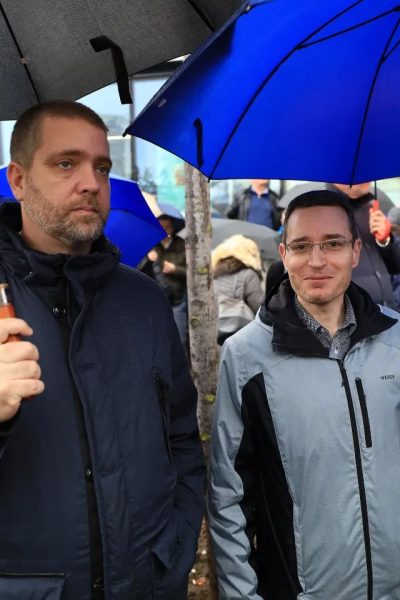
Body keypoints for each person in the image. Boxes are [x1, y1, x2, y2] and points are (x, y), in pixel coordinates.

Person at [0, 100, 205, 600]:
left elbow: (180, 434)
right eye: (65, 163)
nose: (91, 183)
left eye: (102, 167)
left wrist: (176, 542)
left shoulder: (144, 301)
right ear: (19, 180)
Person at [208, 189, 400, 600]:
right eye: (301, 246)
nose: (316, 260)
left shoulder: (395, 340)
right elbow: (228, 493)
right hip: (304, 590)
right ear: (284, 254)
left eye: (332, 243)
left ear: (355, 251)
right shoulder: (246, 356)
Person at [329, 182, 400, 309]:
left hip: (388, 310)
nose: (367, 179)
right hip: (354, 313)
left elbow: (395, 266)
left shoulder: (371, 209)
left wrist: (384, 240)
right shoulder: (324, 213)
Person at [147, 205, 188, 349]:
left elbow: (191, 273)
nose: (165, 230)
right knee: (157, 341)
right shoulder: (150, 245)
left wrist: (175, 269)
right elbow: (138, 270)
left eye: (168, 226)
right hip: (155, 300)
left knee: (179, 340)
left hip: (177, 300)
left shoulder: (182, 245)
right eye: (161, 227)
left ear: (173, 228)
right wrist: (148, 259)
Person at [212, 234, 264, 345]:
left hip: (216, 324)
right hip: (242, 327)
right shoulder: (248, 274)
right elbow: (257, 304)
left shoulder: (215, 274)